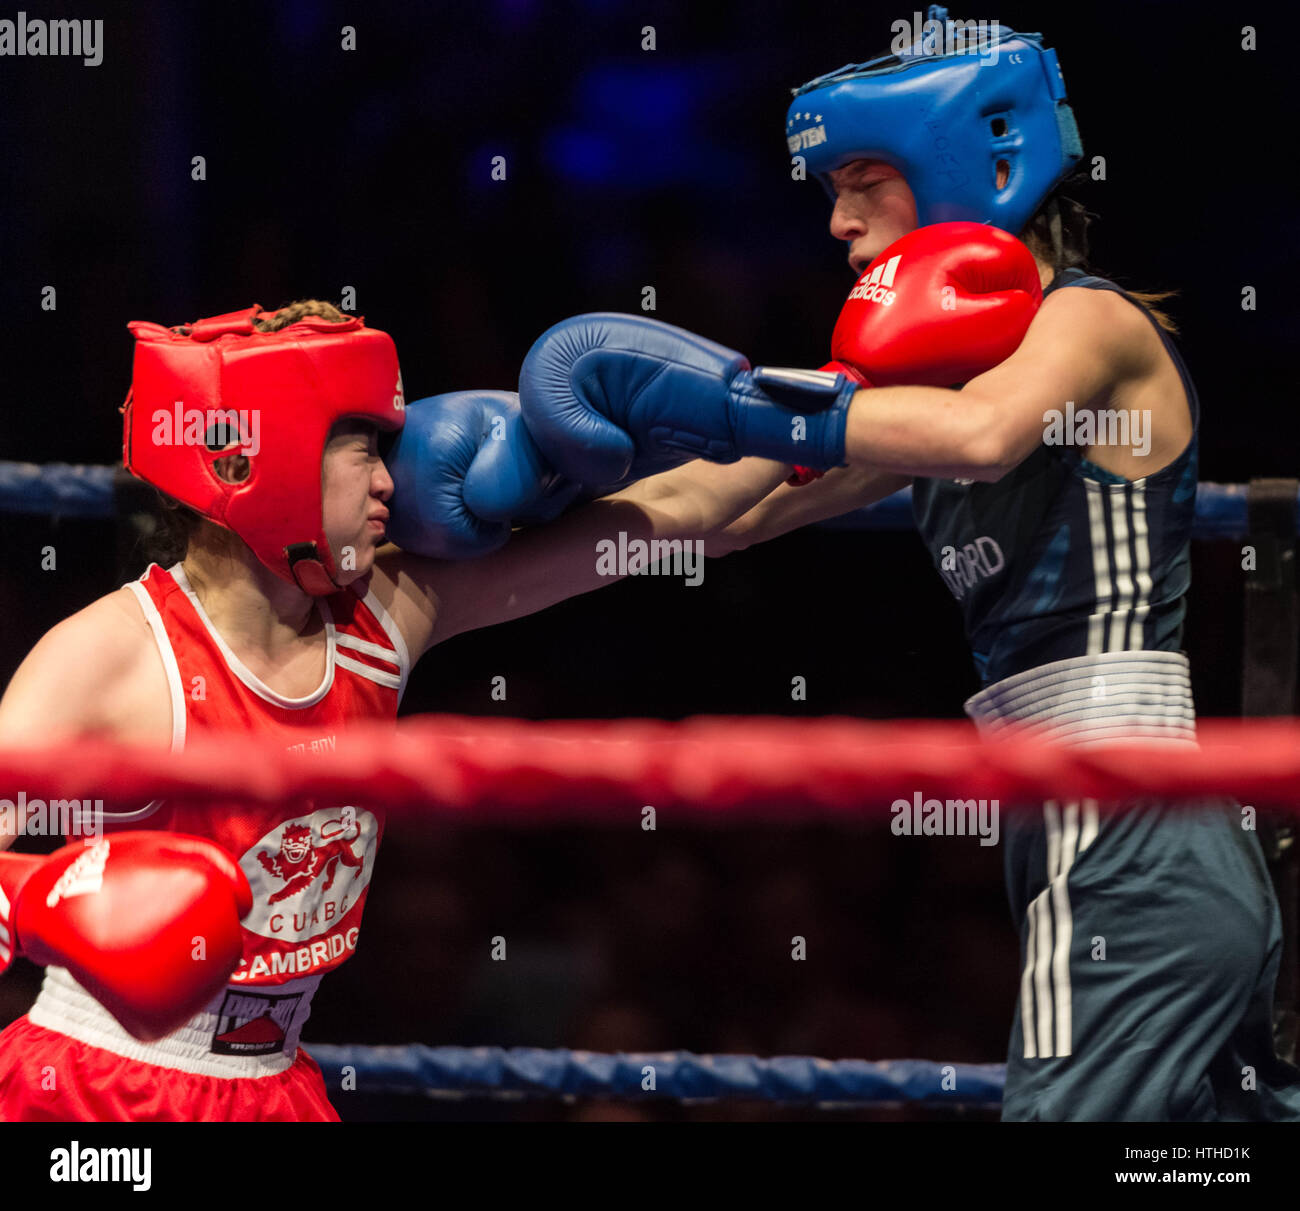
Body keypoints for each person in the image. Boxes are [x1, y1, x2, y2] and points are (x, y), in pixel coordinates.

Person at [513, 7, 1300, 1120]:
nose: (835, 222)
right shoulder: (906, 396)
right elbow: (716, 512)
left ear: (963, 167)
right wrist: (474, 557)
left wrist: (748, 403)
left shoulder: (1091, 322)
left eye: (861, 180)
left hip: (1117, 821)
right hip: (1099, 830)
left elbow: (980, 436)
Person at [0, 298, 808, 1121]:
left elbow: (684, 519)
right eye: (359, 449)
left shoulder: (385, 614)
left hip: (276, 1084)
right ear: (260, 454)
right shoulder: (111, 658)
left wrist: (834, 416)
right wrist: (39, 905)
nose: (391, 479)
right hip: (90, 1085)